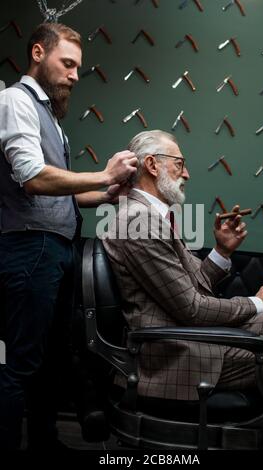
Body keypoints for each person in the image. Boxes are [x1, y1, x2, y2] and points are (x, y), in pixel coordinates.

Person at [102, 129, 263, 450]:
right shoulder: (139, 222)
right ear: (152, 165)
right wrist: (259, 303)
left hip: (188, 334)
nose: (187, 173)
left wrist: (222, 251)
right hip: (177, 353)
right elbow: (192, 308)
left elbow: (190, 287)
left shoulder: (154, 217)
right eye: (180, 164)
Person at [0, 22, 137, 450]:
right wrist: (103, 173)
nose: (76, 75)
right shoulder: (13, 102)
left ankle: (45, 442)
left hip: (56, 250)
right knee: (21, 362)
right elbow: (33, 179)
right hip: (27, 248)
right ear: (38, 53)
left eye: (78, 67)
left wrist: (106, 194)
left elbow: (62, 198)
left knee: (50, 361)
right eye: (69, 64)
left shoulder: (54, 120)